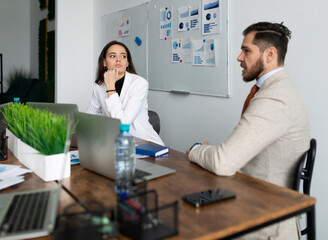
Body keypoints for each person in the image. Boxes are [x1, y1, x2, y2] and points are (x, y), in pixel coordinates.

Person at [187, 22, 310, 239]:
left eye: (246, 50)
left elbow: (223, 163)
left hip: (266, 217)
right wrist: (217, 153)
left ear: (270, 54)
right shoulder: (276, 89)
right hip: (254, 196)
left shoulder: (275, 98)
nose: (239, 57)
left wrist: (196, 149)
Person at [87, 41, 164, 146]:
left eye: (123, 56)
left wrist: (110, 88)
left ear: (127, 63)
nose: (118, 59)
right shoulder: (99, 86)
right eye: (113, 56)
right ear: (104, 62)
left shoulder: (139, 84)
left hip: (144, 144)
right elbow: (90, 117)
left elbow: (123, 124)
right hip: (115, 143)